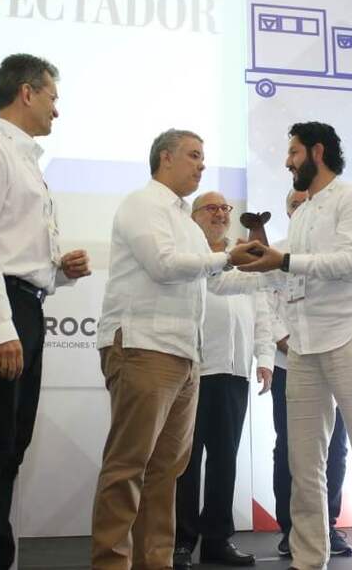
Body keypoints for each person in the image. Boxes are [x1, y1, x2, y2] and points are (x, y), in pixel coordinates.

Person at [92, 129, 266, 570]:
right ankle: (111, 563)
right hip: (143, 347)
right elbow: (164, 266)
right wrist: (226, 258)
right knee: (129, 466)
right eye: (194, 155)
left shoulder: (184, 221)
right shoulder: (142, 204)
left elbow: (215, 281)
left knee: (166, 471)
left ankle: (157, 561)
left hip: (185, 357)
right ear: (165, 158)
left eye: (203, 157)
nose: (201, 164)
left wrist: (273, 268)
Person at [0, 53, 91, 570]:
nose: (58, 110)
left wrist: (58, 270)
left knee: (12, 445)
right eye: (53, 97)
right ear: (26, 93)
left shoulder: (28, 162)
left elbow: (15, 252)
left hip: (23, 305)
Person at [240, 122, 352, 570]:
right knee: (302, 461)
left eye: (292, 152)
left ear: (317, 151)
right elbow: (282, 274)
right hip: (304, 348)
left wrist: (282, 260)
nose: (287, 161)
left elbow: (350, 263)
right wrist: (227, 263)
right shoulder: (304, 211)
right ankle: (308, 559)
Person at [173, 192, 275, 570]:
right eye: (210, 208)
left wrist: (264, 358)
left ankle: (217, 540)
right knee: (185, 462)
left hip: (234, 373)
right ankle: (181, 542)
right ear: (194, 216)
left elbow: (261, 310)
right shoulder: (189, 256)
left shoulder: (246, 255)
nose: (219, 214)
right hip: (194, 371)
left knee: (224, 461)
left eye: (224, 209)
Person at [267, 189, 351, 559]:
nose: (300, 210)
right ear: (288, 211)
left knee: (336, 449)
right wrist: (286, 341)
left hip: (337, 361)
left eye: (306, 204)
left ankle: (326, 527)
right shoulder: (275, 252)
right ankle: (292, 529)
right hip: (292, 363)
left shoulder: (336, 251)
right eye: (294, 205)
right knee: (291, 449)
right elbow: (263, 303)